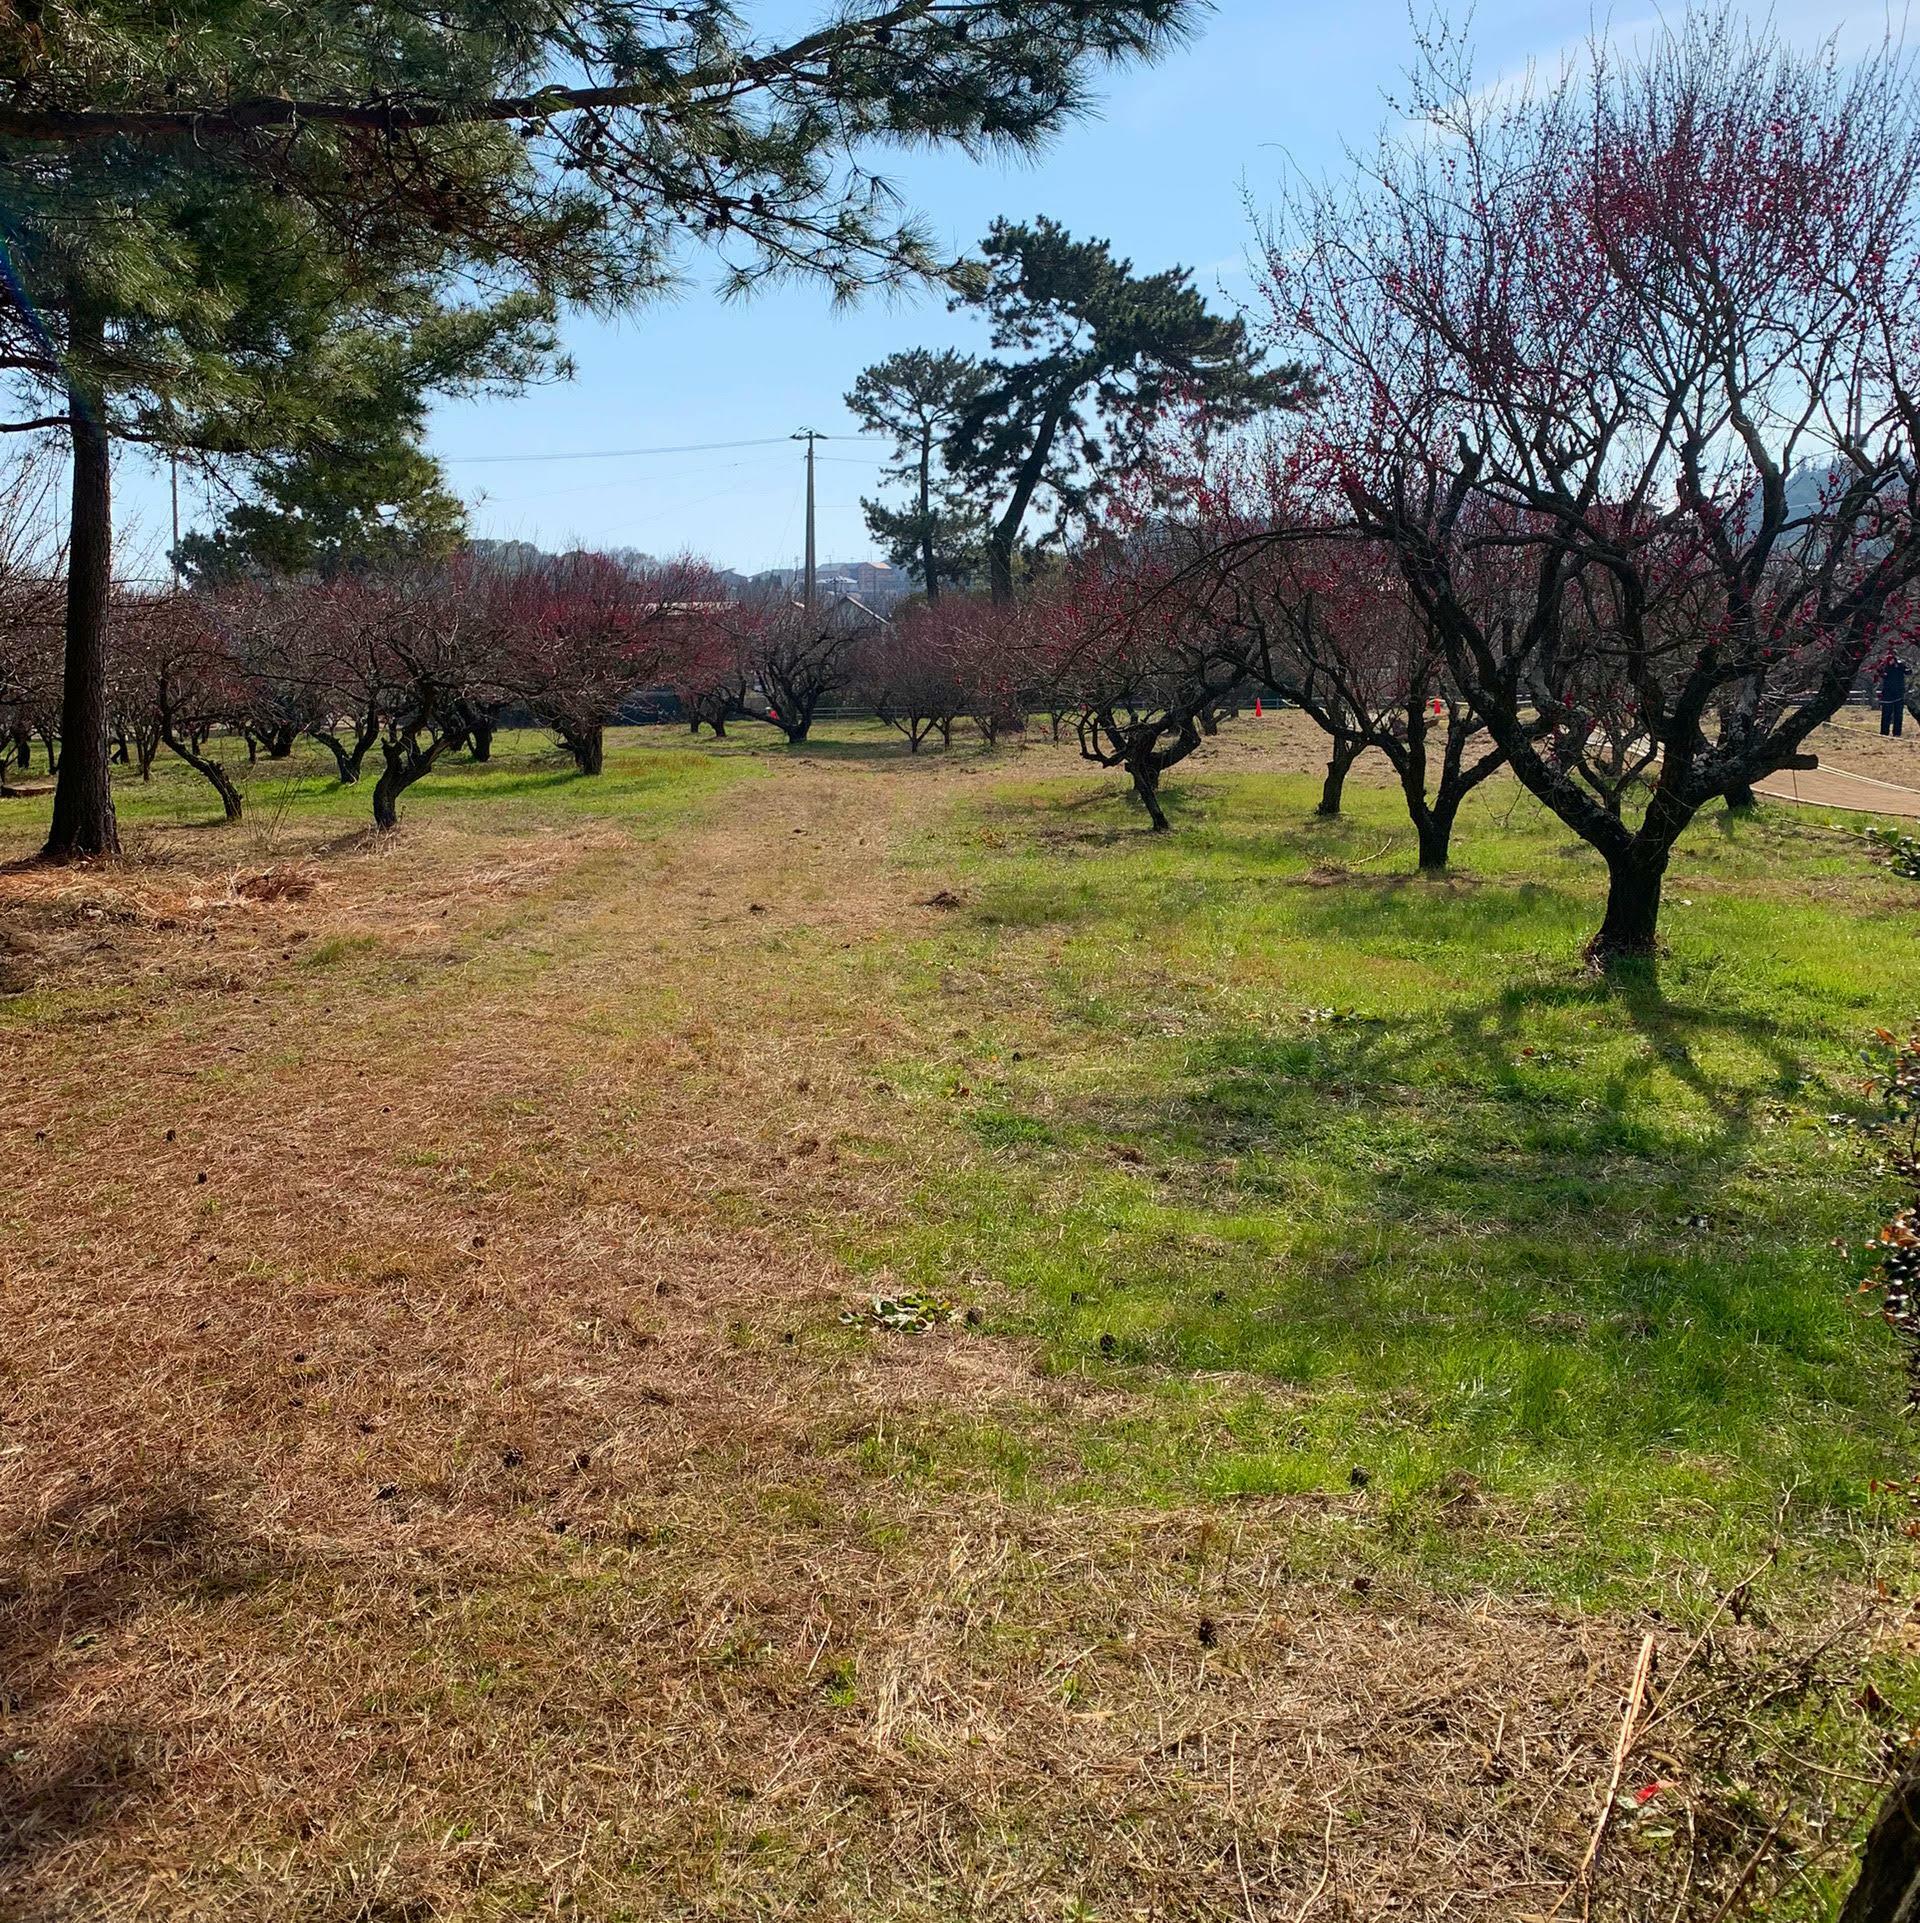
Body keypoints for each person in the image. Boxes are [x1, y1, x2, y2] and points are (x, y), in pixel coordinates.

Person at [1883, 656, 1910, 737]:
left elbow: (1908, 672)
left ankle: (1897, 733)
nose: (1890, 661)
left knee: (1898, 714)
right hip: (1887, 694)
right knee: (1886, 714)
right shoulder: (1885, 666)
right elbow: (1882, 675)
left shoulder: (1900, 666)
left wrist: (1906, 667)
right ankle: (1884, 732)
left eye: (1892, 659)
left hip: (1899, 693)